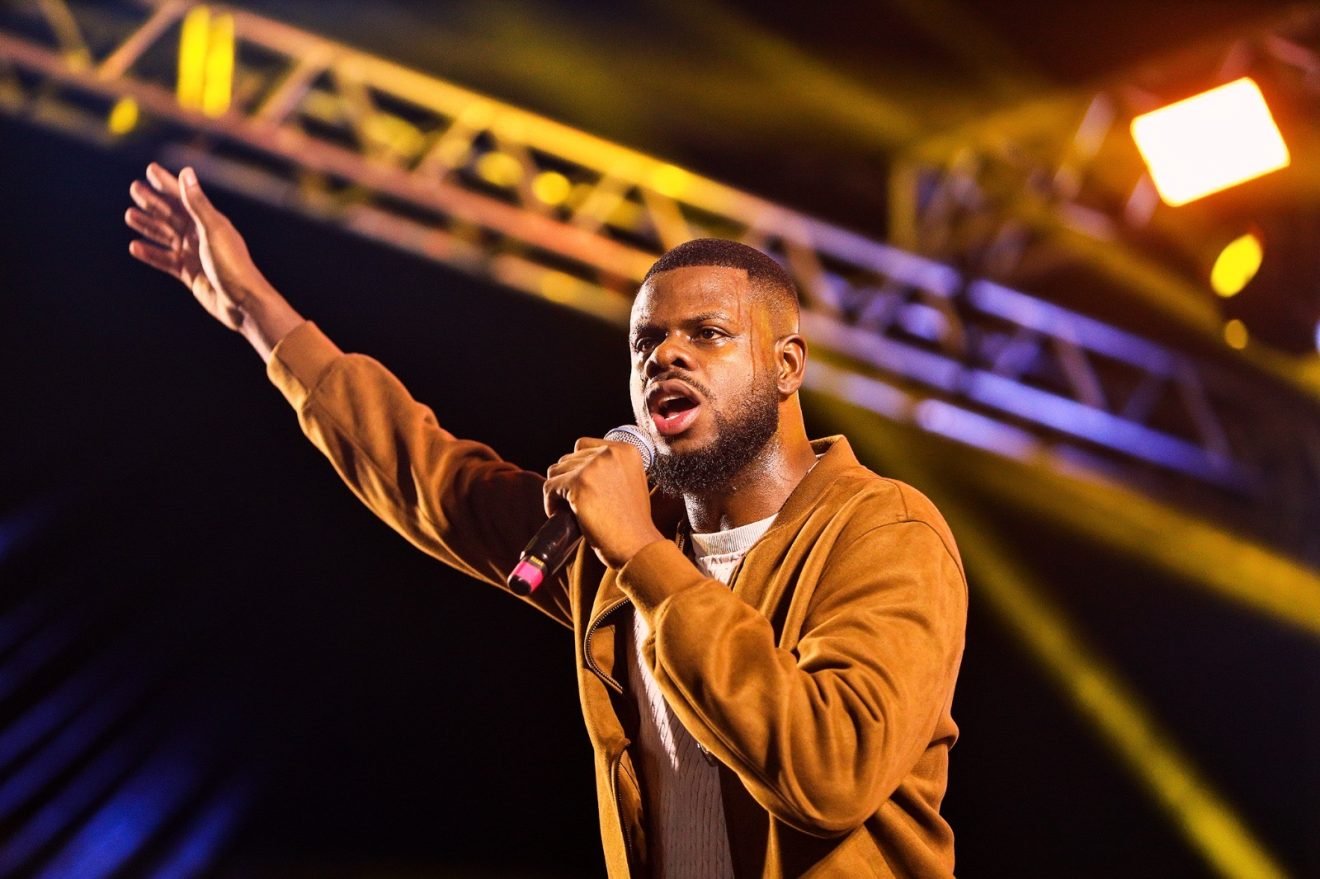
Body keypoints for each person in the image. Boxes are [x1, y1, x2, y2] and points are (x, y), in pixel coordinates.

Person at [125, 162, 968, 878]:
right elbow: (434, 479)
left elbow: (828, 768)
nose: (665, 356)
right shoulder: (623, 543)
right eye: (645, 343)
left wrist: (638, 550)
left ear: (786, 365)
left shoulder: (883, 530)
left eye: (708, 333)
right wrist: (252, 308)